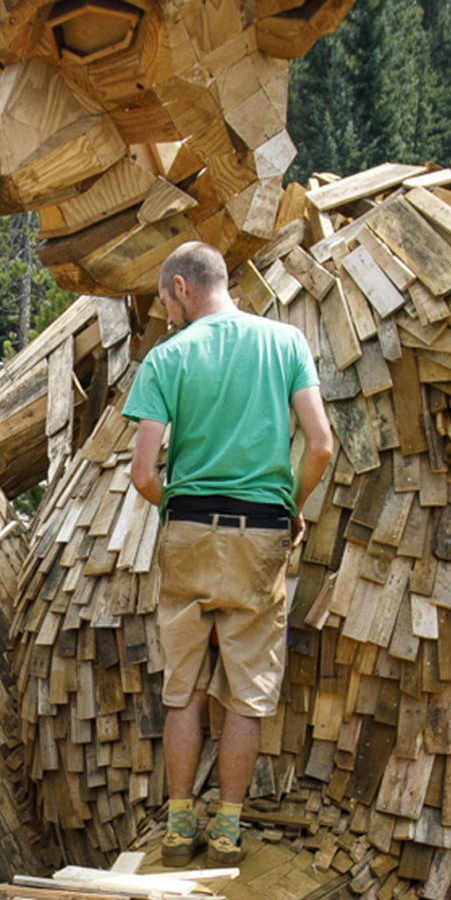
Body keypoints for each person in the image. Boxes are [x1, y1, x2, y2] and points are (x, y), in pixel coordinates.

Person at [126, 240, 334, 860]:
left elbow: (142, 473)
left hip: (188, 527)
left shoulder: (168, 358)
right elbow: (320, 445)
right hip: (262, 530)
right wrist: (291, 506)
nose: (166, 316)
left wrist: (176, 508)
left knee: (183, 687)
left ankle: (179, 824)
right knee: (247, 689)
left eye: (165, 301)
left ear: (183, 288)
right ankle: (227, 829)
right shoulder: (286, 344)